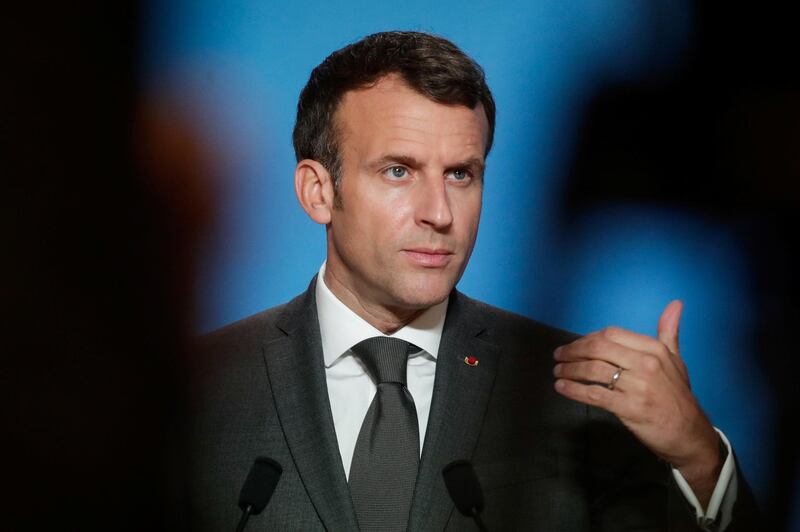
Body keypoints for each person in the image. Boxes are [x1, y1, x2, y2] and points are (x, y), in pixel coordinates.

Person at [190, 31, 757, 531]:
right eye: (398, 171)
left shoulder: (576, 395)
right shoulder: (195, 392)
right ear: (319, 191)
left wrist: (701, 460)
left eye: (461, 174)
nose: (439, 212)